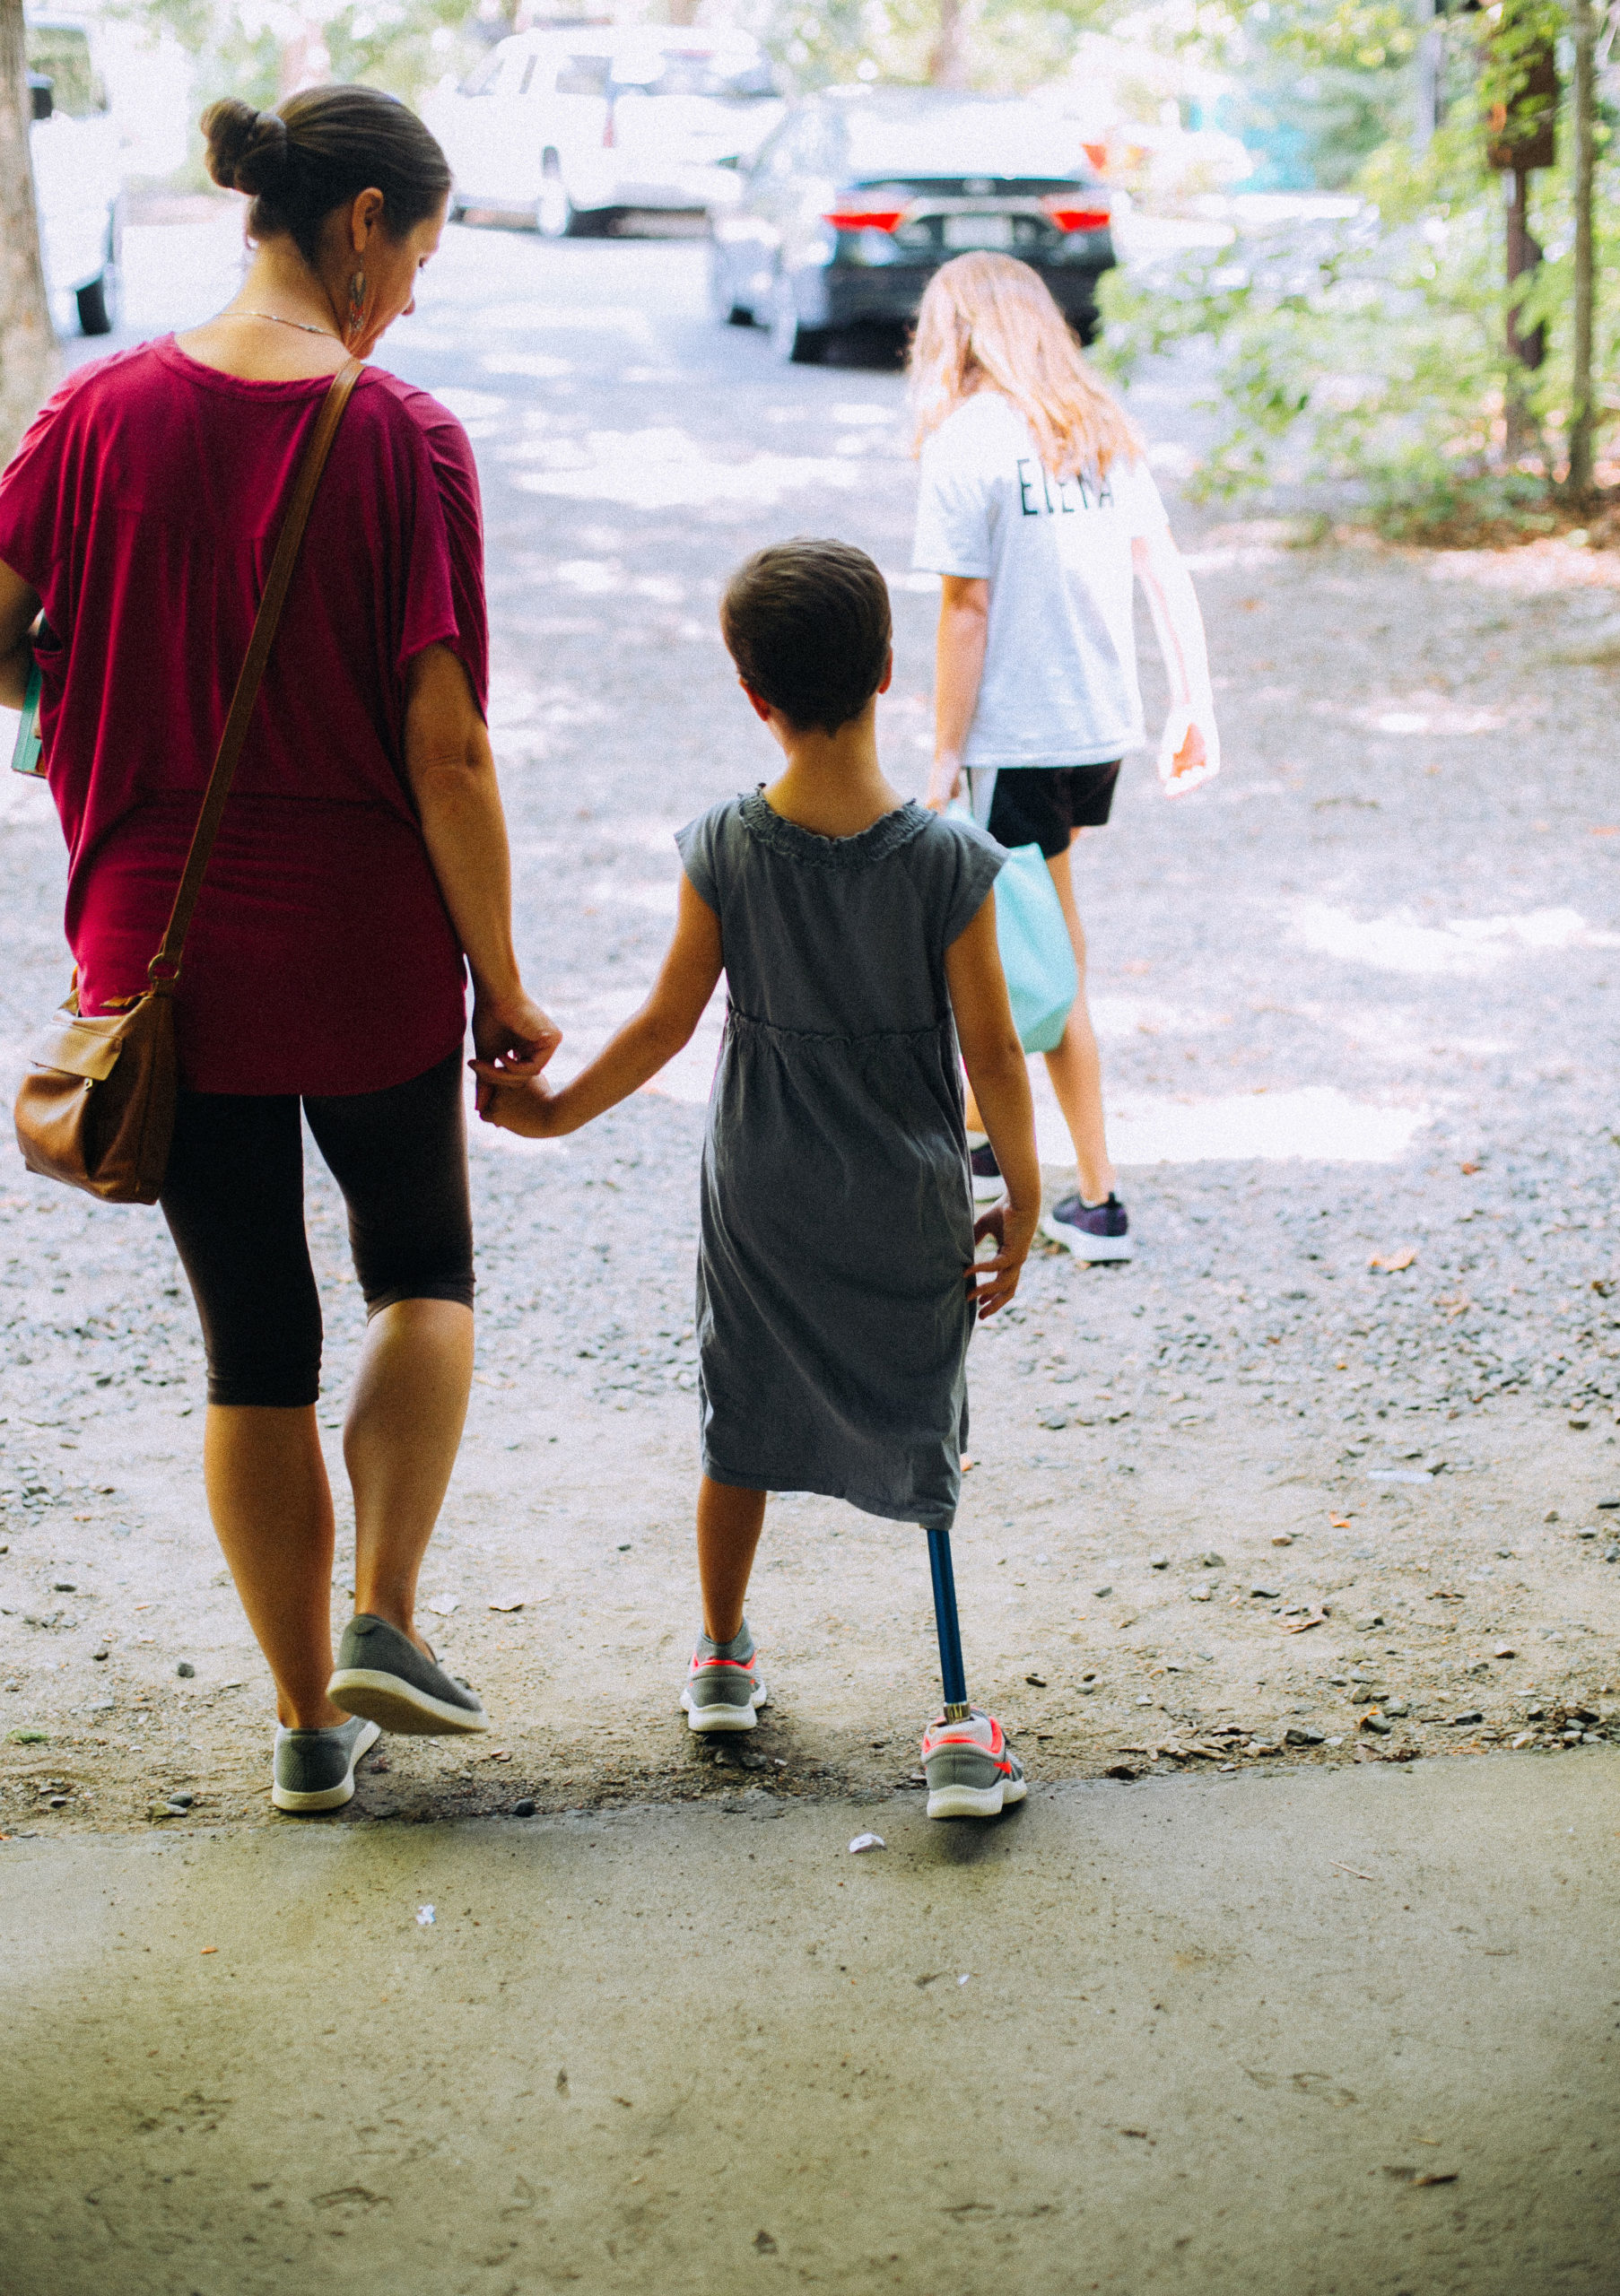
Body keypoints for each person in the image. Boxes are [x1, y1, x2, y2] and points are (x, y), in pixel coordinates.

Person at [0, 87, 558, 1815]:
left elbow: (11, 642)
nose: (414, 297)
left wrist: (75, 707)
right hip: (364, 942)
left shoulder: (89, 416)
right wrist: (512, 989)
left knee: (253, 1341)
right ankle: (386, 1610)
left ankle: (305, 1732)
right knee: (422, 1273)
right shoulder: (401, 438)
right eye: (420, 256)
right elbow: (446, 748)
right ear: (365, 219)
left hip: (156, 954)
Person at [477, 540, 1041, 1819]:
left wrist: (555, 1111)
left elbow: (668, 1022)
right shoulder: (946, 862)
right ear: (890, 672)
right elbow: (995, 1051)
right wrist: (1026, 1192)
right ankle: (955, 1725)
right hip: (904, 1191)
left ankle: (722, 1657)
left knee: (740, 1406)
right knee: (919, 1418)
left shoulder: (725, 845)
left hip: (762, 1186)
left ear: (752, 692)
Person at [910, 251, 1220, 1265]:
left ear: (952, 333)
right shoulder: (1093, 423)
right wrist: (1193, 701)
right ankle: (990, 1138)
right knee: (1041, 936)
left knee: (1028, 971)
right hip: (1097, 733)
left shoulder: (968, 441)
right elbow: (1160, 567)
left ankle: (1095, 1198)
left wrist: (944, 757)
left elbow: (966, 610)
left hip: (1018, 739)